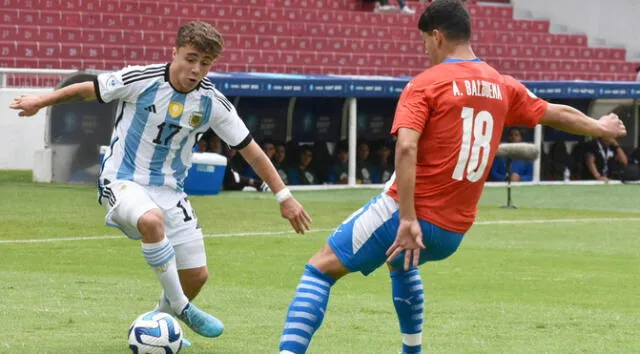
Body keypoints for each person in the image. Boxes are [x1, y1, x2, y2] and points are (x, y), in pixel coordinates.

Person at [277, 1, 626, 353]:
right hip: (453, 231)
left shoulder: (425, 84)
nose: (425, 50)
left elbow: (407, 148)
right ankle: (412, 351)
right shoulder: (501, 84)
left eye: (424, 42)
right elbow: (555, 112)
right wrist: (598, 126)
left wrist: (409, 218)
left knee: (319, 269)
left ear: (437, 35)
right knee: (402, 263)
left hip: (412, 214)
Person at [10, 21, 311, 343]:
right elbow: (88, 88)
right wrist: (42, 100)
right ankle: (181, 306)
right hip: (123, 179)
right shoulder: (141, 79)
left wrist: (284, 196)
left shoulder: (212, 103)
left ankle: (156, 330)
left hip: (170, 189)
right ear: (175, 53)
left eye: (205, 64)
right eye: (191, 58)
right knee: (151, 222)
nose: (196, 69)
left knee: (196, 276)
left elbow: (251, 152)